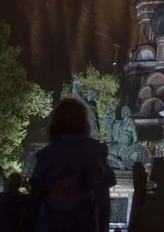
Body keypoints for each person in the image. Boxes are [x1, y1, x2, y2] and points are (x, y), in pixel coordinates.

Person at [30, 98, 111, 232]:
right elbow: (103, 200)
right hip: (85, 223)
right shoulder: (96, 152)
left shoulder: (47, 154)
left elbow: (36, 198)